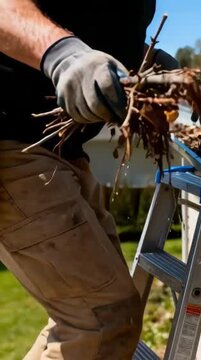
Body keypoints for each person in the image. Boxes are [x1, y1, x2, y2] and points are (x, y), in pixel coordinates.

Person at [0, 1, 178, 358]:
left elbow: (97, 22)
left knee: (90, 316)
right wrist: (61, 54)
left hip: (63, 150)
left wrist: (142, 58)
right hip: (11, 143)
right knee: (102, 318)